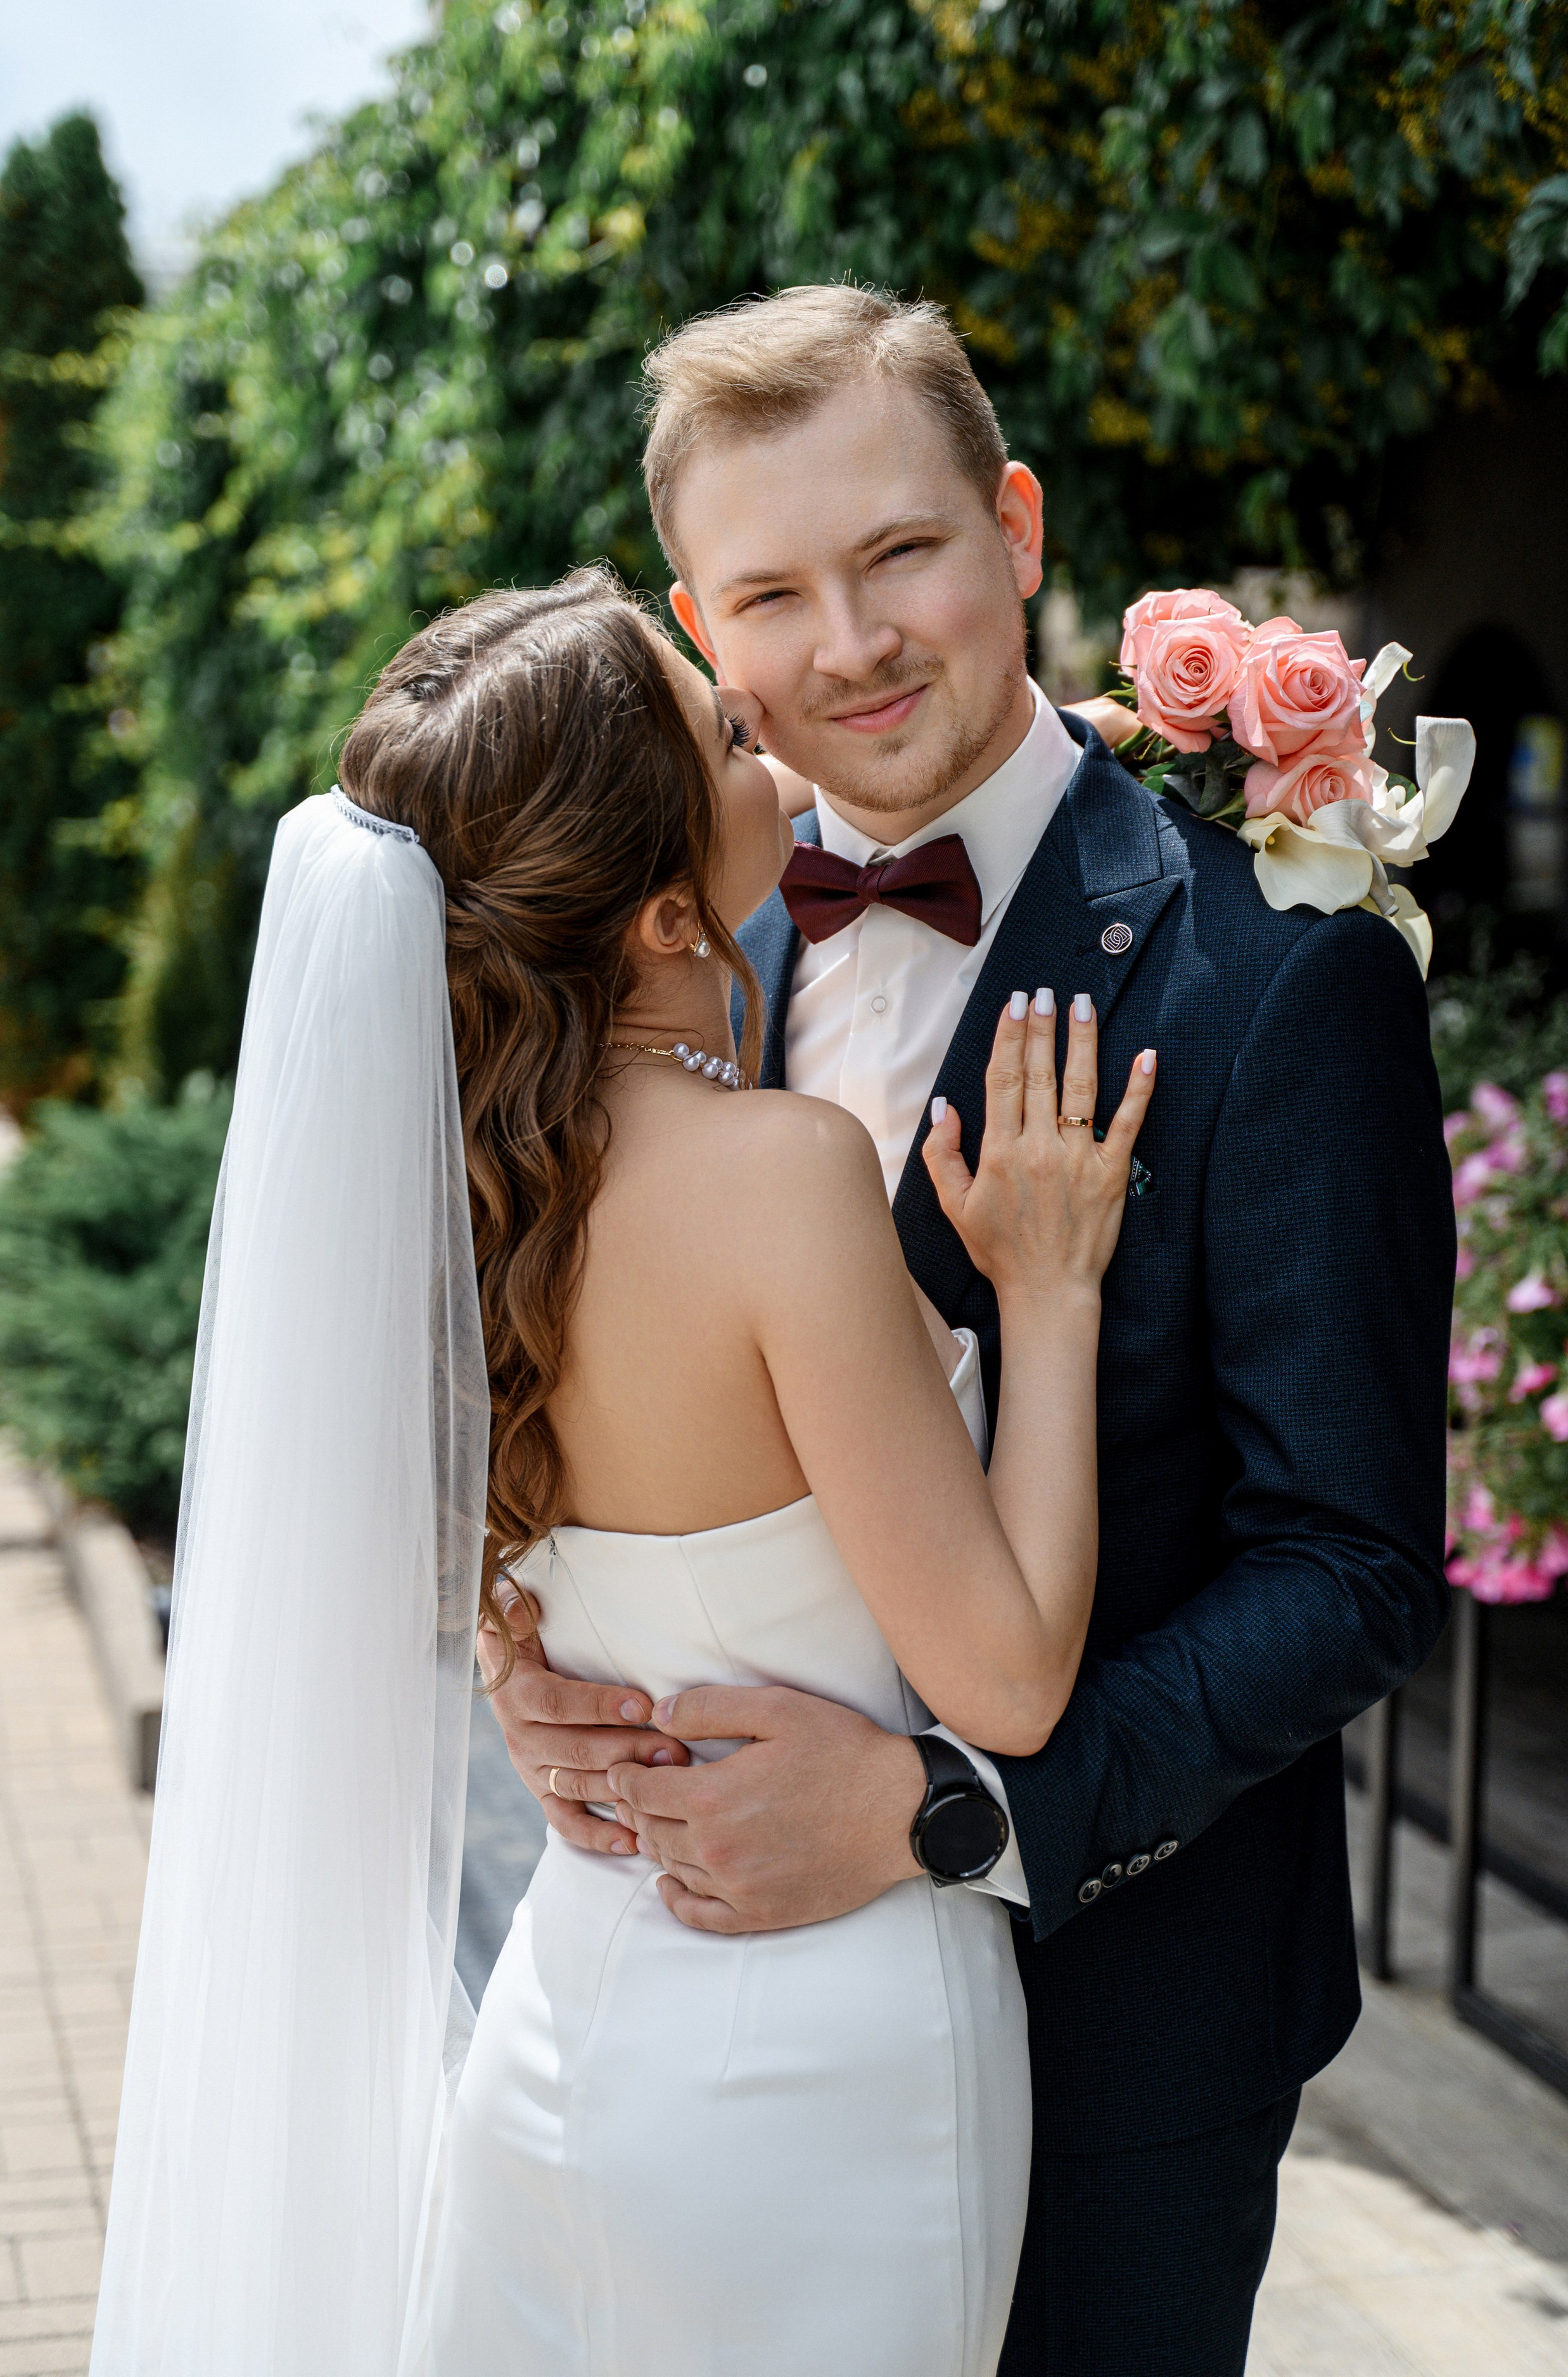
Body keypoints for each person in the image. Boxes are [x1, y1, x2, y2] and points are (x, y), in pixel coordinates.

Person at [487, 286, 1457, 2377]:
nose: (849, 642)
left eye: (902, 551)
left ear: (1017, 529)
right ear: (696, 628)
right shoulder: (660, 940)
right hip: (715, 2030)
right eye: (771, 592)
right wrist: (538, 1672)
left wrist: (952, 1812)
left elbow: (1356, 1570)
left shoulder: (1279, 972)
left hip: (1123, 2029)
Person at [89, 562, 1156, 2376]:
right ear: (670, 911)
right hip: (830, 2054)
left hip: (573, 2014)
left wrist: (520, 1666)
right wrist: (1050, 1298)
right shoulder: (780, 1176)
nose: (774, 746)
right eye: (732, 734)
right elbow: (1009, 1676)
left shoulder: (457, 1204)